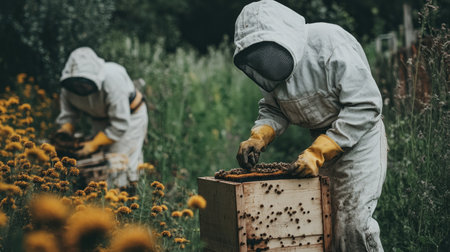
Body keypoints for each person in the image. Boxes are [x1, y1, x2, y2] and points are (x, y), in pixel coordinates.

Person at [234, 1, 387, 251]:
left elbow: (366, 105)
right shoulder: (269, 70)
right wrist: (259, 136)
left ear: (281, 34)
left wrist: (317, 153)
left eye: (265, 51)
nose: (264, 61)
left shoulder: (329, 43)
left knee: (353, 224)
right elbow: (275, 108)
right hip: (322, 142)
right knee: (325, 224)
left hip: (360, 138)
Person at [55, 47, 148, 188]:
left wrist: (93, 144)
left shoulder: (112, 80)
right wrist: (65, 131)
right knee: (104, 159)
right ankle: (107, 194)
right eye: (76, 84)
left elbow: (120, 124)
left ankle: (127, 197)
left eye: (84, 83)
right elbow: (69, 115)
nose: (80, 88)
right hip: (99, 119)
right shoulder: (67, 90)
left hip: (130, 116)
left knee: (120, 160)